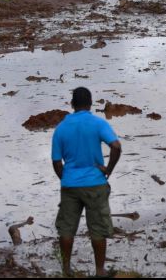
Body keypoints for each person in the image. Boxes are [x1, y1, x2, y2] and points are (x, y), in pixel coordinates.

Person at [52, 87, 122, 277]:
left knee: (66, 229)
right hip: (95, 184)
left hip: (70, 185)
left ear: (72, 104)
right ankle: (100, 271)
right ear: (90, 104)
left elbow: (57, 162)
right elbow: (116, 146)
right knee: (98, 229)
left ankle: (66, 271)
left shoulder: (61, 128)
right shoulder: (98, 123)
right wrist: (108, 170)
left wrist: (66, 179)